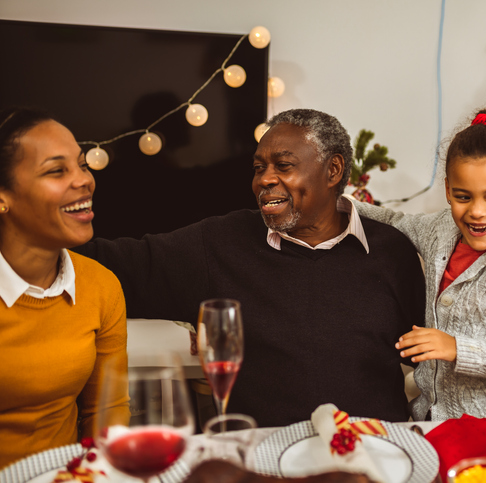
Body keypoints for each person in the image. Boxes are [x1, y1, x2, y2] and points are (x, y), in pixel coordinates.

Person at [74, 108, 426, 427]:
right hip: (264, 460)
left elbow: (432, 364)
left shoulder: (392, 252)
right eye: (259, 168)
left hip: (380, 457)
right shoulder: (220, 243)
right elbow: (112, 266)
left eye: (283, 166)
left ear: (332, 170)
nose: (264, 180)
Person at [350, 108, 486, 421]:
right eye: (464, 196)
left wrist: (457, 348)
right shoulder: (440, 231)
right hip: (428, 419)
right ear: (449, 190)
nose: (477, 212)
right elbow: (396, 222)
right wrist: (340, 203)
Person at [0, 108, 129, 468]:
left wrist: (100, 473)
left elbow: (108, 408)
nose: (84, 180)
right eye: (57, 170)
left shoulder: (101, 286)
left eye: (82, 164)